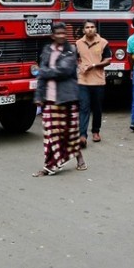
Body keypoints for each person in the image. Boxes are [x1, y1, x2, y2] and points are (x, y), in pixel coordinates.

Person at [33, 22, 87, 176]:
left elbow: (65, 70)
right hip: (49, 99)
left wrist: (42, 71)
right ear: (53, 36)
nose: (62, 36)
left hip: (67, 98)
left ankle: (76, 157)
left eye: (64, 33)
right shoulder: (47, 50)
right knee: (51, 134)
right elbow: (42, 78)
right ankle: (49, 166)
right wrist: (38, 96)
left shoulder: (71, 50)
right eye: (58, 33)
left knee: (67, 133)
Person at [76, 20, 112, 146]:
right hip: (83, 81)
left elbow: (108, 60)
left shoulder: (103, 43)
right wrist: (79, 66)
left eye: (92, 27)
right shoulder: (78, 43)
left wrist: (94, 65)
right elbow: (75, 59)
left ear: (95, 29)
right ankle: (82, 136)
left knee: (97, 109)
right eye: (87, 27)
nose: (90, 29)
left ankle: (96, 131)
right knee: (84, 108)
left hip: (98, 81)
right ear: (83, 30)